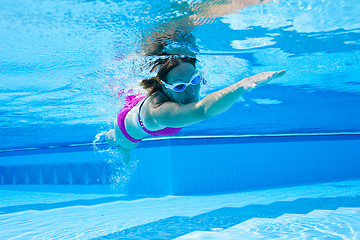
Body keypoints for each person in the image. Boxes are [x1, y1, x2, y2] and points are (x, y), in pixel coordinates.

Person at [106, 54, 286, 163]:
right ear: (165, 87)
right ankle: (113, 142)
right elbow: (203, 110)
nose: (191, 90)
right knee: (123, 146)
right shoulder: (158, 113)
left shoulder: (178, 89)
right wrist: (243, 84)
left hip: (139, 102)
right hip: (126, 129)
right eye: (179, 86)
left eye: (194, 80)